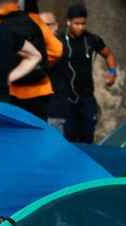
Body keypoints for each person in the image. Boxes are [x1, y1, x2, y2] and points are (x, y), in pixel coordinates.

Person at [48, 4, 117, 143]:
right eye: (76, 23)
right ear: (68, 22)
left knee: (88, 137)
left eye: (83, 23)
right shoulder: (58, 41)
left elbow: (108, 54)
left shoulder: (91, 40)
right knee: (70, 138)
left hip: (86, 97)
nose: (80, 27)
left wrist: (112, 72)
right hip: (66, 99)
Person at [0, 0, 62, 120]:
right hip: (39, 90)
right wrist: (38, 62)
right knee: (38, 134)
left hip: (10, 92)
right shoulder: (35, 19)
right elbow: (57, 50)